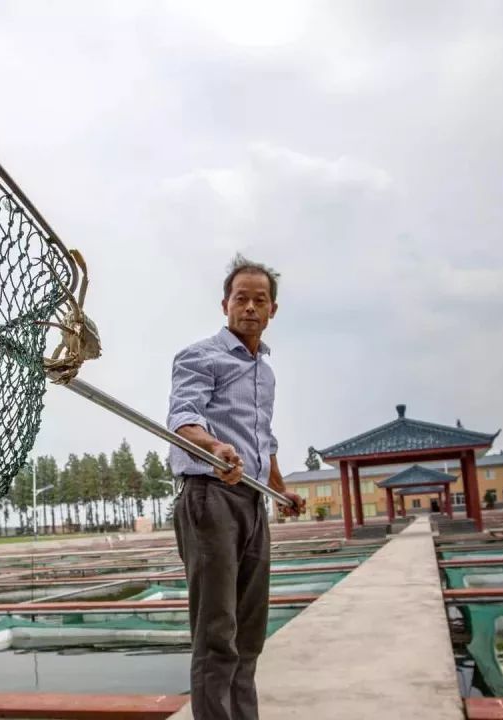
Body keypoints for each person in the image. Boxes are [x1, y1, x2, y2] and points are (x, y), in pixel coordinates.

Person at [166, 254, 305, 720]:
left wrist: (281, 490)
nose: (249, 307)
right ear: (224, 304)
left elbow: (263, 437)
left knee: (249, 632)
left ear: (273, 310)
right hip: (210, 496)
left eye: (259, 300)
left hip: (251, 501)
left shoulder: (265, 370)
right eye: (240, 298)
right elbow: (183, 418)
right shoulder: (199, 356)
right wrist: (215, 447)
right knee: (216, 629)